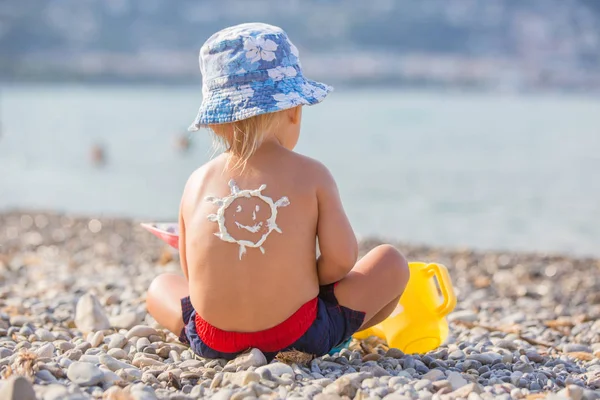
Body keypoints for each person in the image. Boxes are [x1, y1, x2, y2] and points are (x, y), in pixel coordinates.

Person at [146, 23, 409, 360]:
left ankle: (214, 340)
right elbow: (341, 261)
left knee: (160, 287)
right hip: (298, 334)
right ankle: (335, 338)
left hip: (214, 339)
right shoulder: (314, 174)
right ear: (294, 111)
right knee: (391, 262)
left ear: (215, 121)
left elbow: (191, 272)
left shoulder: (196, 181)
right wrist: (299, 276)